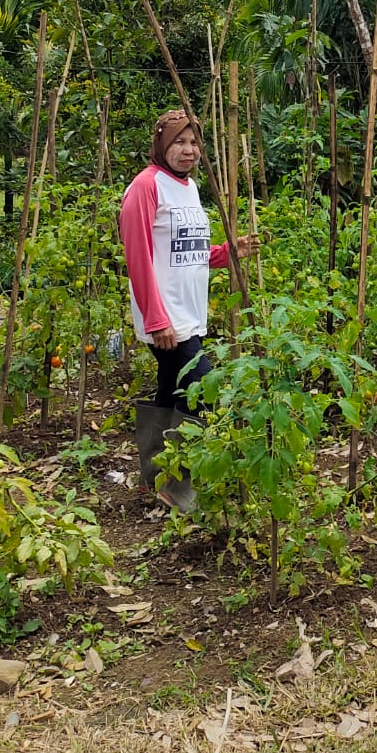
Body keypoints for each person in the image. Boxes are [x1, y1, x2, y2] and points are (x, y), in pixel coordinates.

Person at [120, 109, 257, 510]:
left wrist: (228, 253)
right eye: (179, 141)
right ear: (162, 144)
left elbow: (186, 251)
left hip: (187, 312)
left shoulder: (190, 187)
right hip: (167, 317)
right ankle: (177, 486)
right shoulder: (146, 187)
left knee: (171, 391)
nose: (189, 150)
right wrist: (156, 317)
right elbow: (139, 257)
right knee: (203, 388)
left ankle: (154, 476)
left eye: (194, 142)